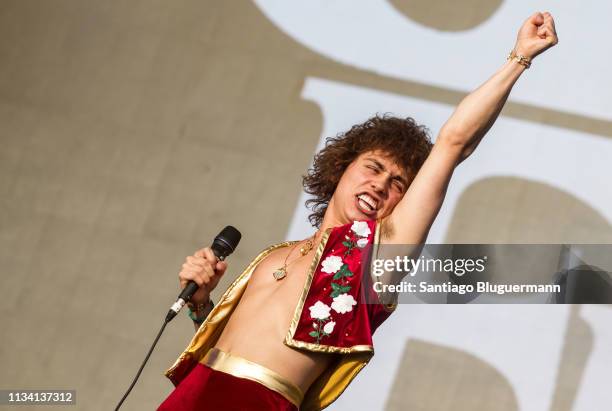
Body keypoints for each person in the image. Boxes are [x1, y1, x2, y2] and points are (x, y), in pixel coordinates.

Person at [157, 11, 558, 411]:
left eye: (398, 183)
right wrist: (201, 303)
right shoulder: (273, 256)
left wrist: (518, 58)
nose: (381, 184)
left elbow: (453, 143)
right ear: (342, 167)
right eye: (373, 167)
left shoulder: (374, 262)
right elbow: (222, 350)